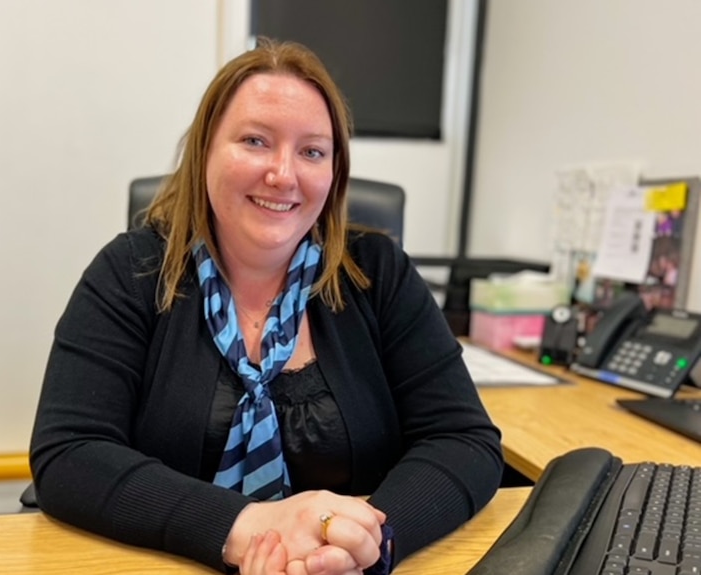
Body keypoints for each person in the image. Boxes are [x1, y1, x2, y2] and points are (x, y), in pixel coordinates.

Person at [29, 37, 503, 575]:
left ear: (334, 171)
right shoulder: (131, 272)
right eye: (255, 141)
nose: (284, 174)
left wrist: (362, 539)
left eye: (312, 151)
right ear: (205, 151)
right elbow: (69, 453)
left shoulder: (378, 274)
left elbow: (464, 439)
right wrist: (249, 525)